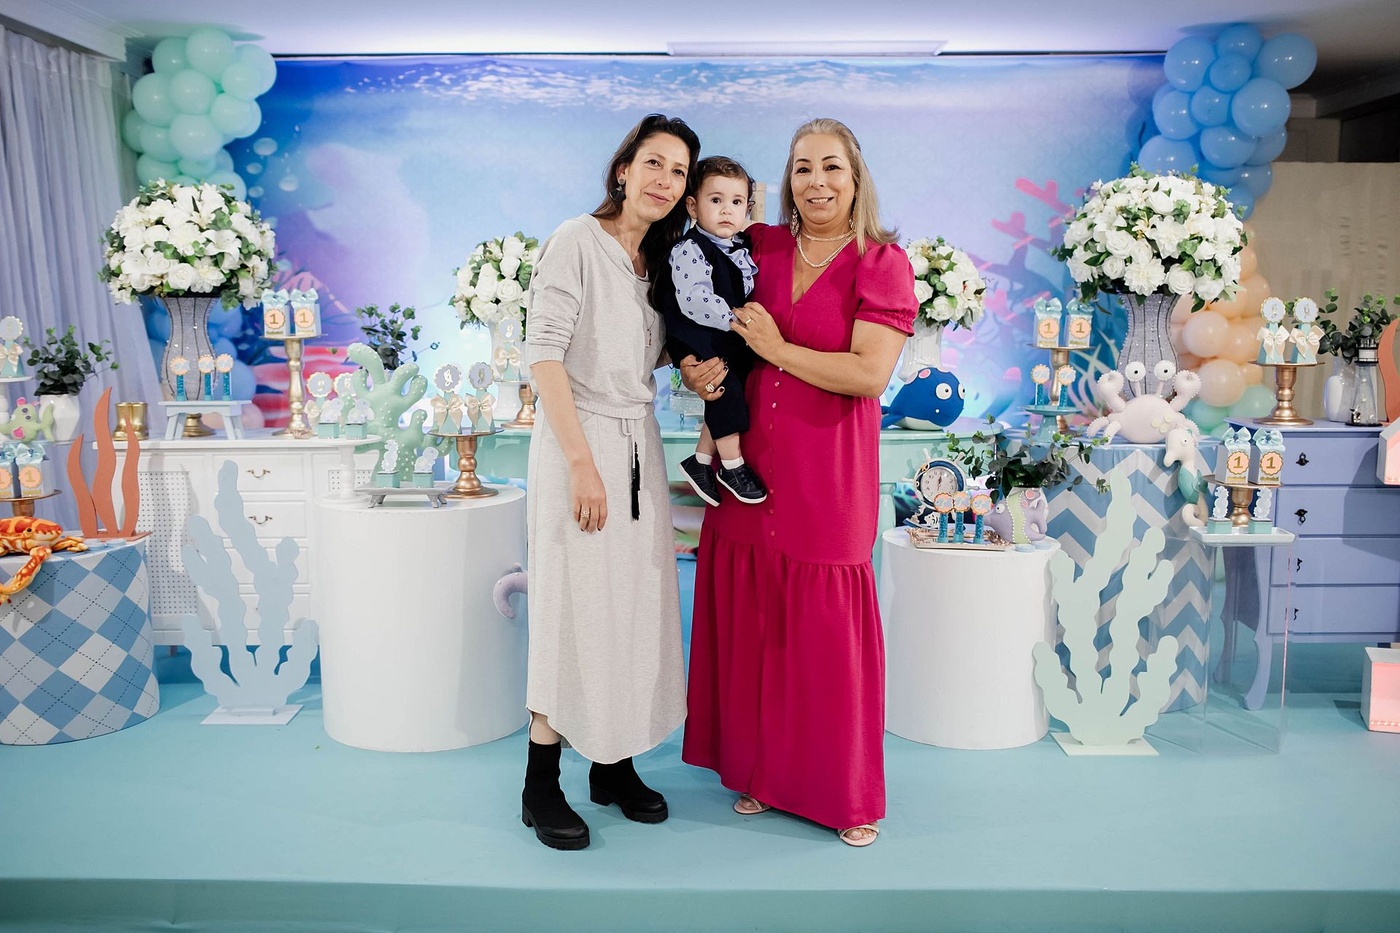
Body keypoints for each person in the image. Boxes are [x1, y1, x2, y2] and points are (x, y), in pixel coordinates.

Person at [680, 118, 917, 847]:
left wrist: (778, 349)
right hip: (747, 467)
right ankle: (760, 772)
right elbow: (702, 319)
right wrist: (693, 367)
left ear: (856, 176)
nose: (816, 181)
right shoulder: (761, 245)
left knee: (823, 635)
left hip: (827, 473)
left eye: (831, 167)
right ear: (785, 180)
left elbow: (868, 373)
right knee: (755, 626)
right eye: (803, 167)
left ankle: (844, 794)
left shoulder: (882, 263)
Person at [521, 113, 699, 851]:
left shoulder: (656, 265)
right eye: (654, 162)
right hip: (580, 442)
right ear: (624, 168)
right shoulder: (577, 240)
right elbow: (544, 354)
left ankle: (613, 763)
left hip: (637, 443)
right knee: (571, 607)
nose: (665, 179)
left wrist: (702, 363)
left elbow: (645, 356)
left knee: (631, 606)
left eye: (679, 171)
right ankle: (539, 783)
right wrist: (581, 464)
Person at [654, 156, 766, 507]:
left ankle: (701, 460)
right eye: (715, 200)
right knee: (724, 388)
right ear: (693, 206)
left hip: (721, 334)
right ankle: (732, 466)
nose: (726, 210)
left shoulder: (737, 248)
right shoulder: (690, 248)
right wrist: (737, 320)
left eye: (736, 202)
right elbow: (695, 299)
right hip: (695, 332)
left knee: (733, 386)